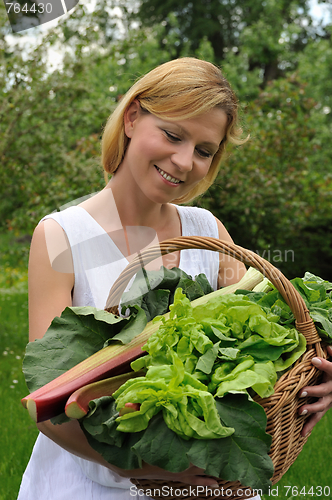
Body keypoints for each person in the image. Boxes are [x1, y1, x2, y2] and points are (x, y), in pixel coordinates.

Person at [17, 57, 332, 500]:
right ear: (131, 118)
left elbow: (258, 355)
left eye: (205, 151)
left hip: (210, 482)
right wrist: (156, 469)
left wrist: (310, 378)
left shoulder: (207, 231)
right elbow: (49, 407)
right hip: (95, 483)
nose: (184, 162)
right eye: (172, 135)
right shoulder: (61, 236)